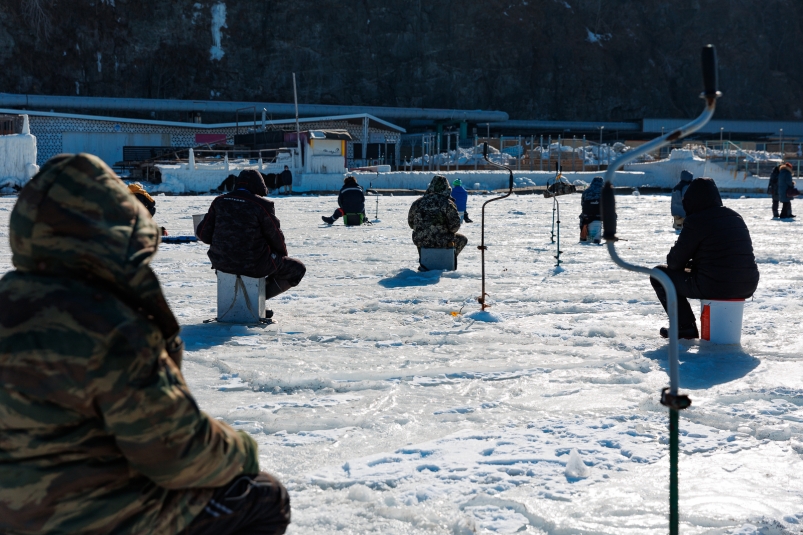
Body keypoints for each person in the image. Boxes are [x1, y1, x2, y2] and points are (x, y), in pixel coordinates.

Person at [0, 154, 290, 535]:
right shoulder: (108, 320)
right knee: (264, 495)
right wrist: (243, 450)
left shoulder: (8, 299)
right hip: (81, 517)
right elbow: (174, 449)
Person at [649, 177, 759, 339]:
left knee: (659, 275)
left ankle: (685, 327)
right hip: (747, 283)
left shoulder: (697, 220)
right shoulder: (735, 216)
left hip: (715, 284)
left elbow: (674, 262)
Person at [196, 169, 305, 315]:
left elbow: (203, 234)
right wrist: (280, 256)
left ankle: (249, 302)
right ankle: (257, 301)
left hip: (221, 263)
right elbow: (276, 237)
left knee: (238, 267)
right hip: (254, 264)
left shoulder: (219, 201)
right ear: (258, 185)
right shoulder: (262, 205)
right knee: (297, 269)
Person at [408, 175, 468, 271]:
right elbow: (454, 227)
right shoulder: (447, 204)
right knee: (462, 239)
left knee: (420, 235)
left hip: (422, 240)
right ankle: (446, 261)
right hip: (443, 241)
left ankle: (425, 262)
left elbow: (411, 224)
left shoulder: (417, 203)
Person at [579, 176, 603, 242]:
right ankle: (609, 235)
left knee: (582, 217)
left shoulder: (586, 192)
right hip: (601, 216)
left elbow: (582, 204)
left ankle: (583, 237)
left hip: (587, 216)